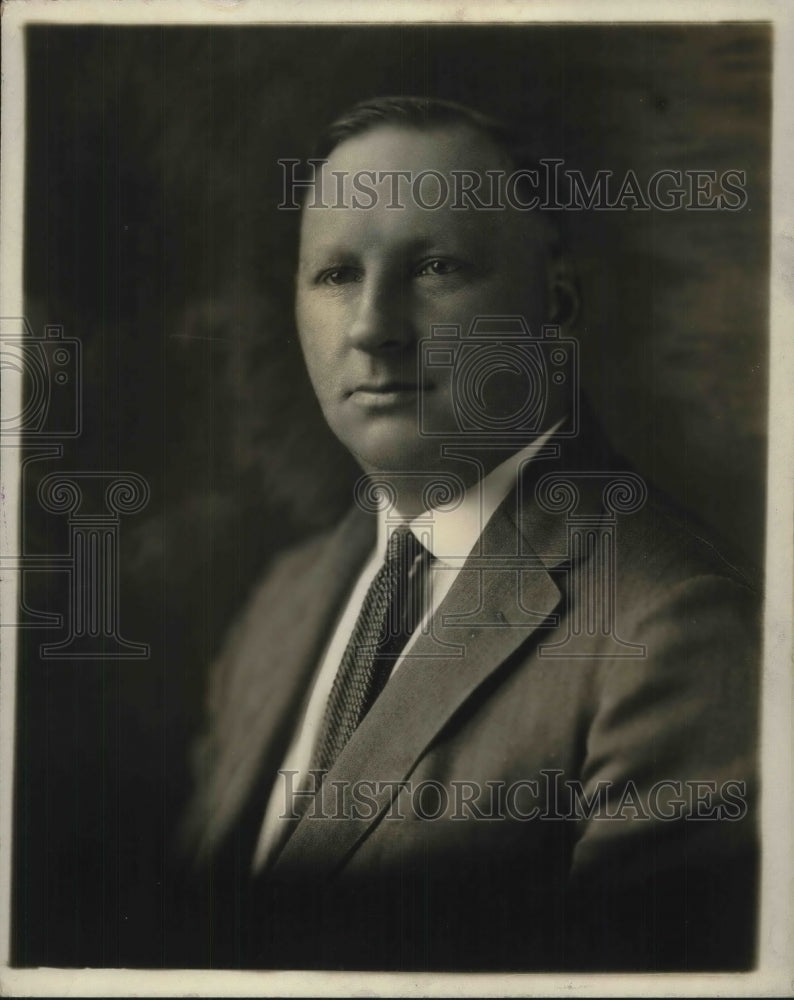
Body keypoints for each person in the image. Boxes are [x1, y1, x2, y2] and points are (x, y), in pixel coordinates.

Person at [179, 97, 760, 972]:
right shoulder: (282, 602)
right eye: (336, 274)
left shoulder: (673, 626)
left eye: (437, 266)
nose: (374, 327)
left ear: (555, 302)